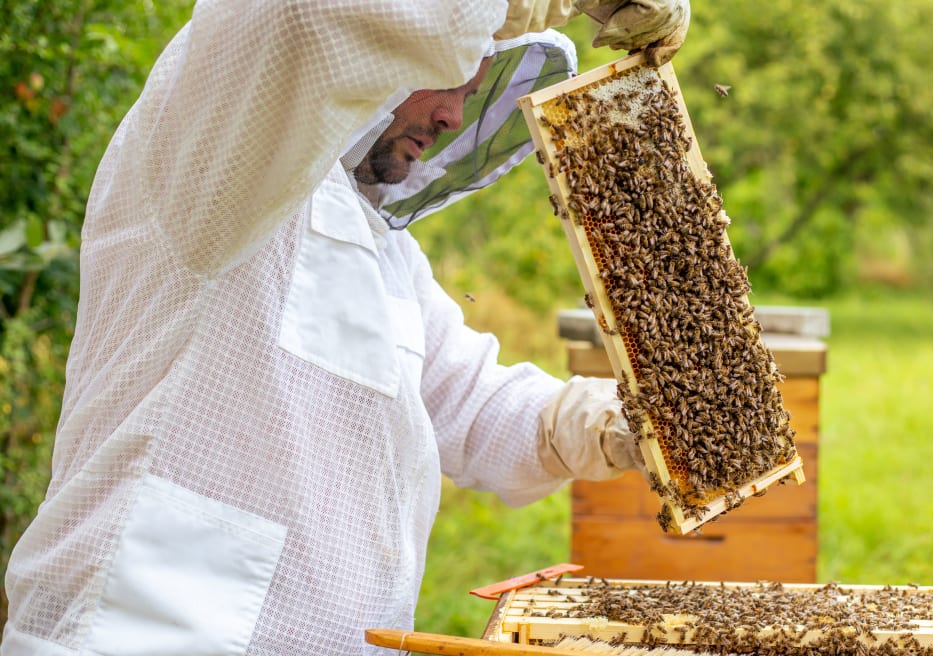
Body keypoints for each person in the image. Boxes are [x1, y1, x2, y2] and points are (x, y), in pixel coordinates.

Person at [1, 1, 689, 654]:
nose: (454, 112)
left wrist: (617, 422)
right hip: (146, 636)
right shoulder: (208, 153)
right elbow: (298, 17)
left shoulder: (378, 247)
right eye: (447, 75)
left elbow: (469, 405)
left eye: (473, 89)